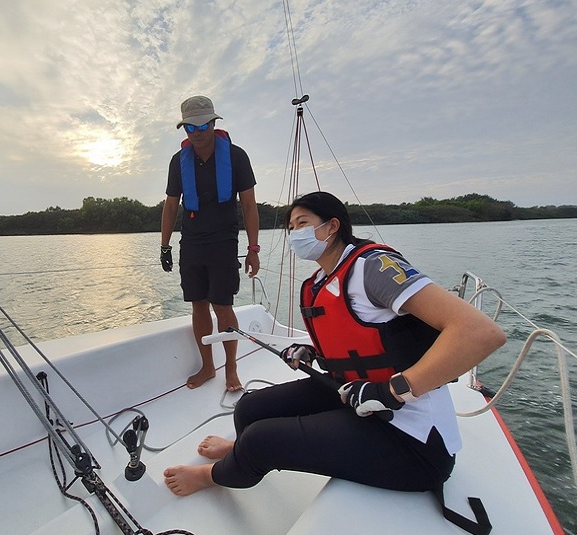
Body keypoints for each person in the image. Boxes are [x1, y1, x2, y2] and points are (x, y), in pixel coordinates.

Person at [164, 191, 506, 505]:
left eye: (303, 223)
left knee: (261, 440)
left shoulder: (370, 267)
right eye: (290, 227)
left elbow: (480, 333)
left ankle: (215, 476)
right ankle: (240, 455)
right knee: (249, 408)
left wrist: (393, 390)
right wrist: (312, 353)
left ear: (332, 227)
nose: (294, 233)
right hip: (356, 397)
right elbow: (359, 338)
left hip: (413, 439)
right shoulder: (316, 283)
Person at [161, 95, 260, 392]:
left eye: (204, 124)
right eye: (190, 127)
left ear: (214, 123)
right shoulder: (179, 162)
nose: (198, 132)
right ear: (184, 130)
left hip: (223, 240)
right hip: (191, 240)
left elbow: (250, 206)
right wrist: (164, 246)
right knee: (198, 304)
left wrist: (253, 249)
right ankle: (207, 365)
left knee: (222, 304)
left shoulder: (236, 156)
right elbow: (170, 206)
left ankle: (231, 367)